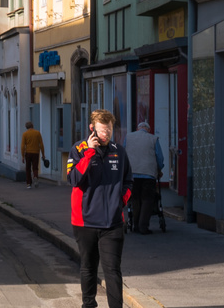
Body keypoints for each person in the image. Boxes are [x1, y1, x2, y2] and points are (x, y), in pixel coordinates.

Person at [69, 110, 132, 308]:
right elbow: (73, 179)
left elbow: (129, 181)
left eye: (110, 130)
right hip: (84, 221)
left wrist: (120, 202)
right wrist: (89, 152)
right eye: (103, 130)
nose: (106, 135)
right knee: (88, 267)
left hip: (112, 222)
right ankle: (88, 305)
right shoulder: (78, 149)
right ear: (92, 129)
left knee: (112, 269)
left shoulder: (119, 151)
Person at [125, 120, 167, 233]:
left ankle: (135, 225)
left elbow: (124, 153)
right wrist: (159, 169)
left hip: (132, 174)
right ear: (148, 130)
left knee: (135, 199)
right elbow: (160, 158)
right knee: (147, 200)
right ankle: (143, 226)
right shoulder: (153, 138)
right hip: (149, 174)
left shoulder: (128, 137)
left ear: (138, 129)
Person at [22, 120, 45, 188]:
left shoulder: (25, 134)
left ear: (26, 127)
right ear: (32, 126)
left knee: (28, 168)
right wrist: (43, 154)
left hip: (28, 153)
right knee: (35, 167)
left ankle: (29, 183)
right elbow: (41, 144)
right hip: (36, 152)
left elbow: (23, 146)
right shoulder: (37, 133)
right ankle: (35, 176)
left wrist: (23, 156)